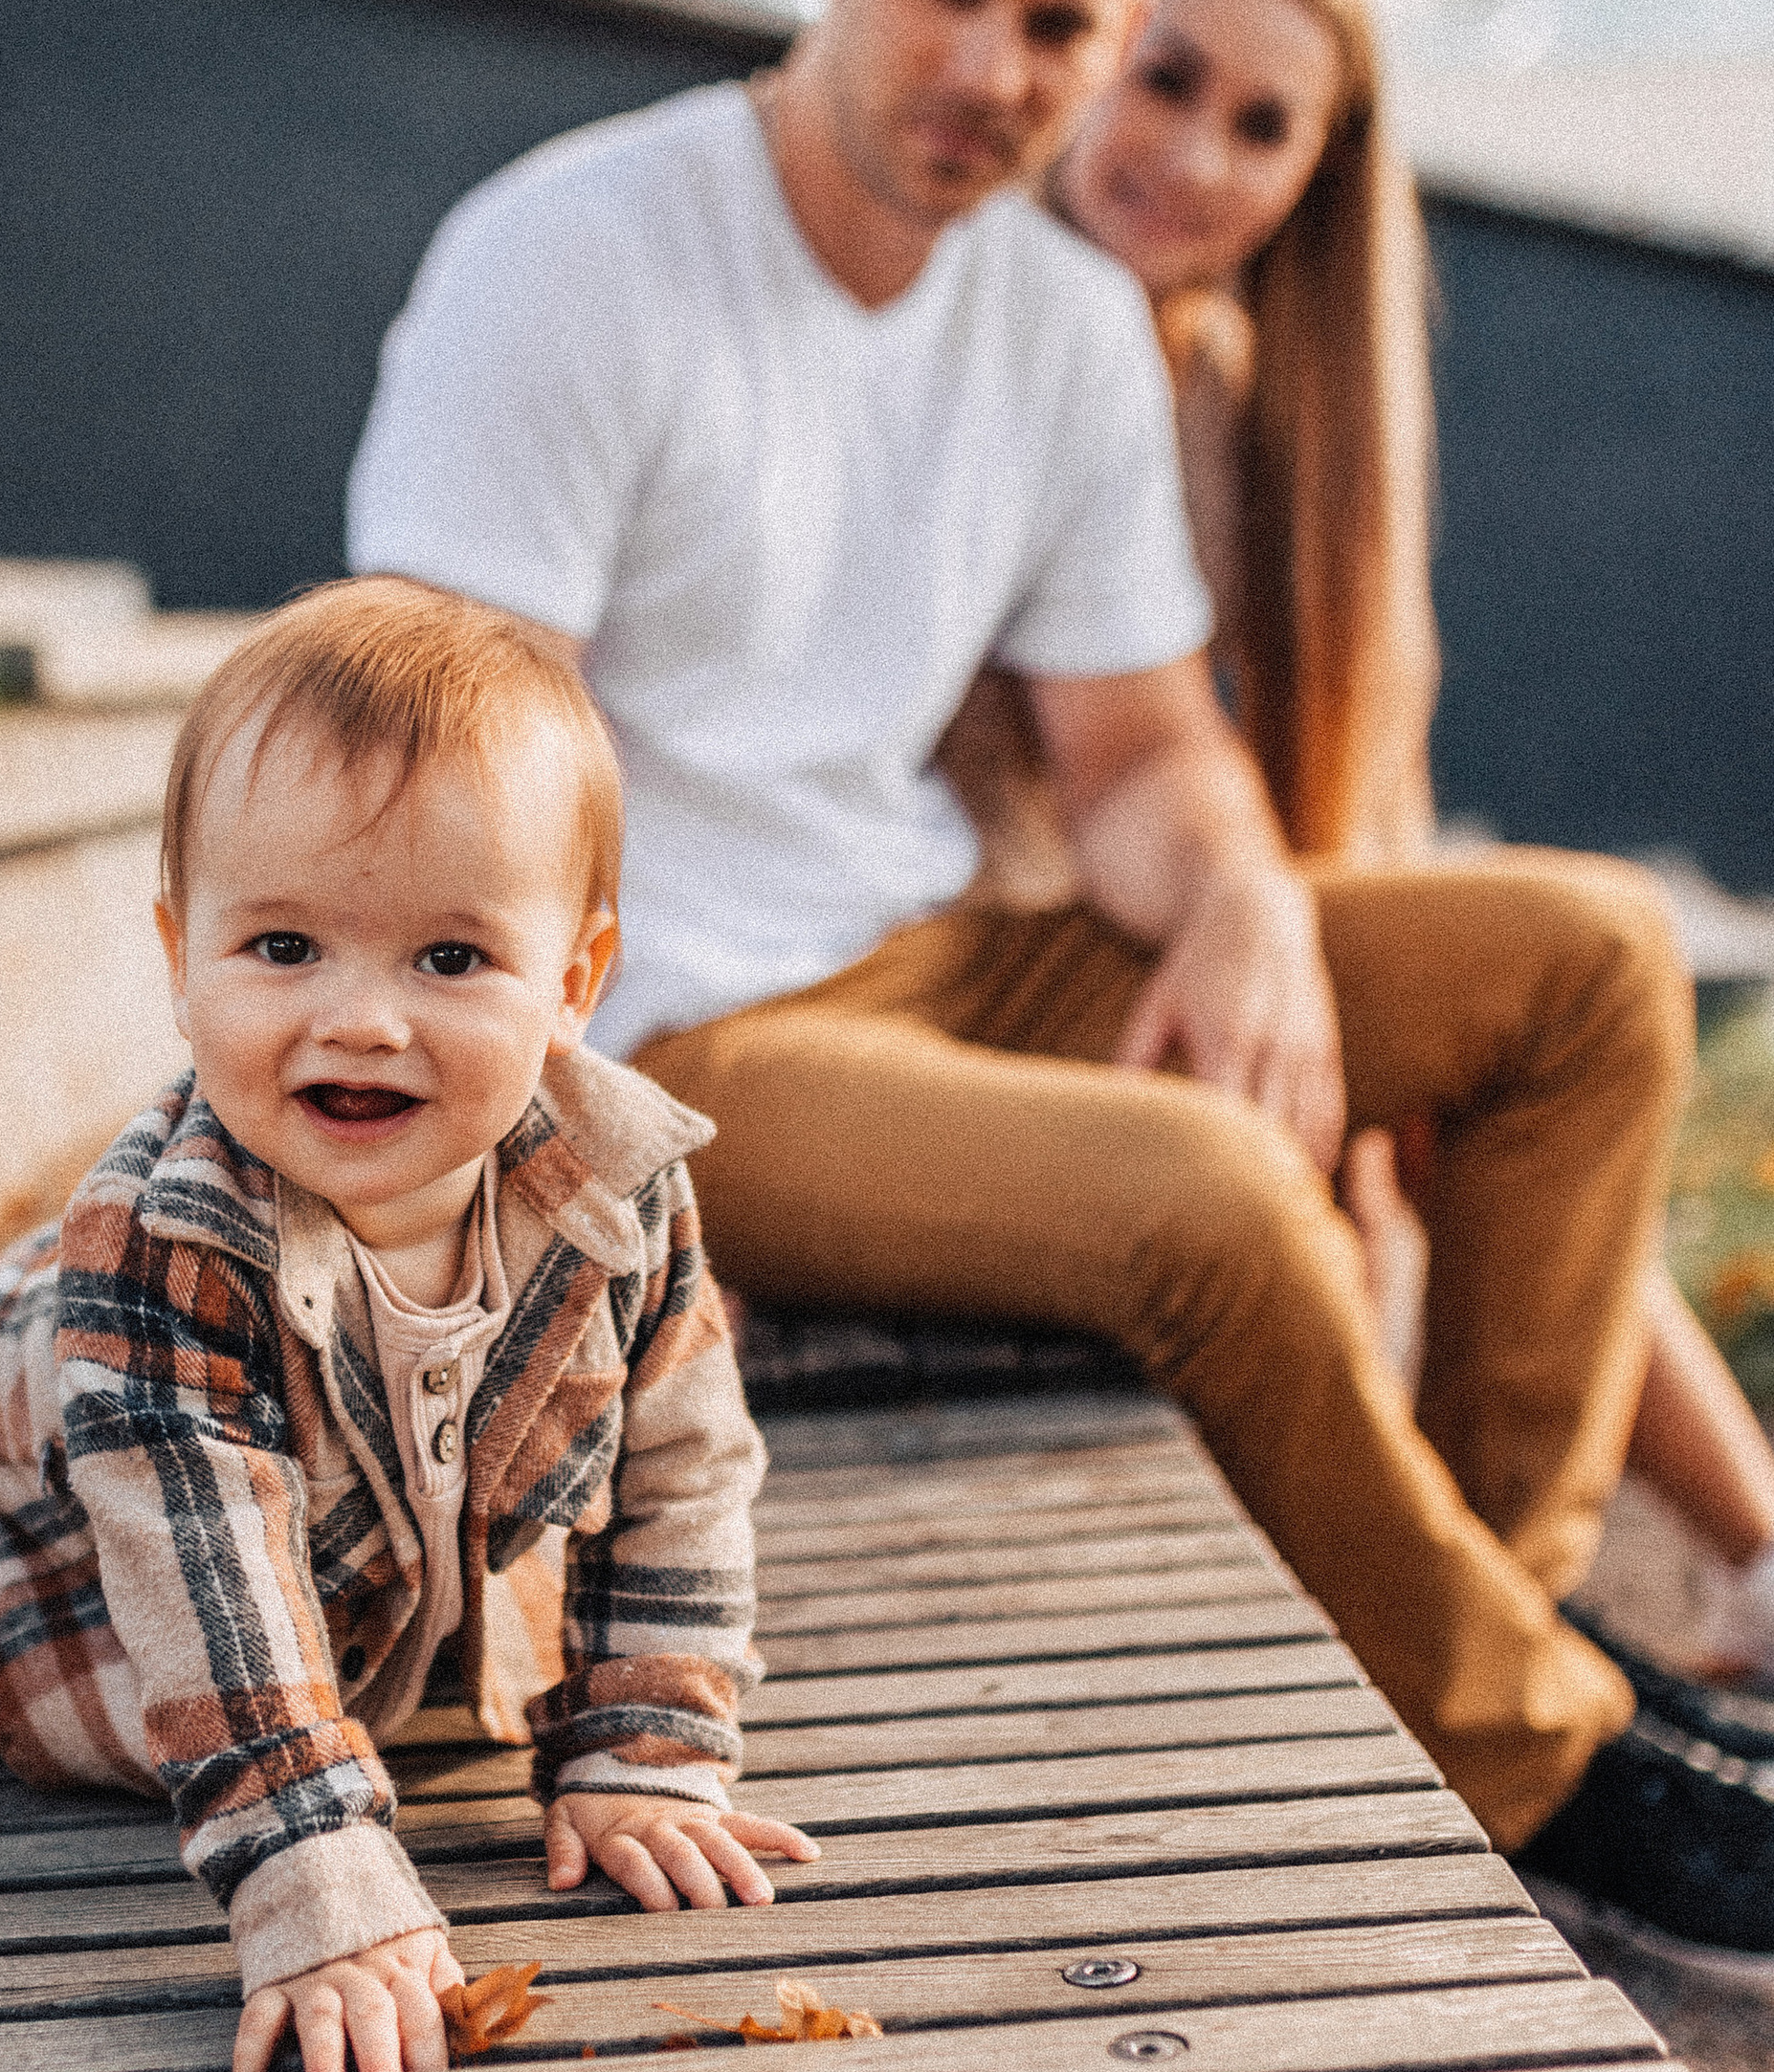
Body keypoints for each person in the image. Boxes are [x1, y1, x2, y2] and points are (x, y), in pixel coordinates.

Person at [345, 0, 1774, 1954]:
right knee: (1215, 1195)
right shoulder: (573, 253)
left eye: (1056, 24)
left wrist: (1239, 900)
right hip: (669, 1033)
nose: (992, 72)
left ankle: (1499, 1630)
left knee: (1586, 965)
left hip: (943, 949)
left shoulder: (1053, 313)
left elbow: (1131, 756)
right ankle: (1530, 1756)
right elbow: (443, 774)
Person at [0, 579, 815, 2072]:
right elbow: (205, 1569)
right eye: (283, 948)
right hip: (61, 1457)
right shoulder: (161, 1256)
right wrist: (317, 1888)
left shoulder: (619, 1190)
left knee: (428, 1642)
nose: (361, 1020)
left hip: (368, 1472)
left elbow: (685, 1467)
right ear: (179, 954)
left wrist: (643, 1746)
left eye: (448, 960)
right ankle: (16, 1420)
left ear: (574, 982)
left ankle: (387, 1584)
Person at [979, 0, 1774, 1691]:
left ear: (1323, 178)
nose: (1194, 156)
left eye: (1267, 128)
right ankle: (1593, 1632)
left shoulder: (1273, 423)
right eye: (1167, 74)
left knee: (1577, 986)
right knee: (1542, 1010)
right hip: (998, 1019)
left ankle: (1576, 1630)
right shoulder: (946, 338)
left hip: (1216, 1025)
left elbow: (1356, 907)